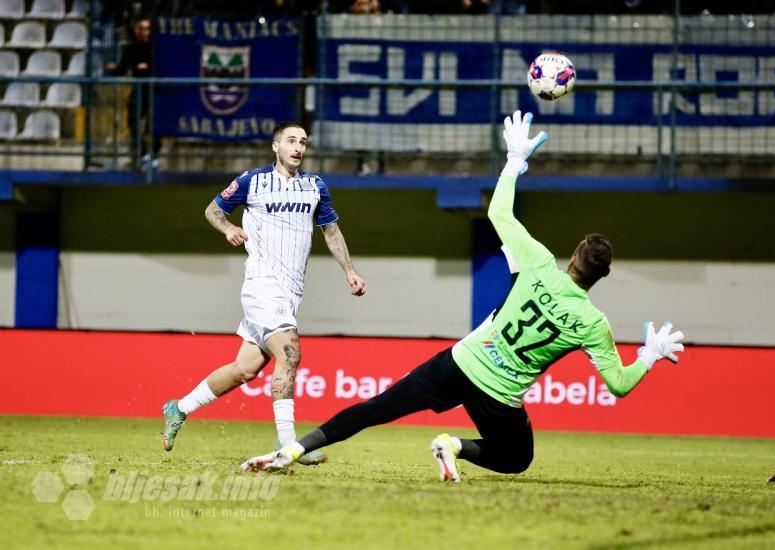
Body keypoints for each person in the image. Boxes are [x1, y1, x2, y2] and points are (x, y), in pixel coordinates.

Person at [240, 111, 685, 481]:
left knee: (378, 408)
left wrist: (513, 161)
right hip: (498, 396)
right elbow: (619, 386)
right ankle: (453, 444)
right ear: (603, 275)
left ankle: (294, 450)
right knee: (516, 459)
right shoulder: (592, 323)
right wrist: (649, 354)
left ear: (572, 256)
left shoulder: (538, 262)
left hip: (461, 362)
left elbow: (498, 210)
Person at [162, 121, 367, 466]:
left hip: (290, 293)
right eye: (291, 141)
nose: (298, 147)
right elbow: (213, 210)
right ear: (276, 146)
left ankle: (178, 407)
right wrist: (228, 228)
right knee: (290, 354)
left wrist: (349, 270)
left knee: (245, 369)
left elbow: (331, 230)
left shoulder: (315, 187)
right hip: (261, 287)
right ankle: (288, 445)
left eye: (303, 142)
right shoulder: (252, 181)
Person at [106, 17, 161, 169]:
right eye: (142, 29)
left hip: (155, 90)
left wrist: (148, 66)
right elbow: (123, 68)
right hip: (138, 90)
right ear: (136, 30)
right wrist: (113, 68)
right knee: (133, 122)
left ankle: (155, 155)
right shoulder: (130, 49)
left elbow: (161, 68)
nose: (145, 32)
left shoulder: (157, 48)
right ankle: (143, 153)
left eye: (148, 29)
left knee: (155, 124)